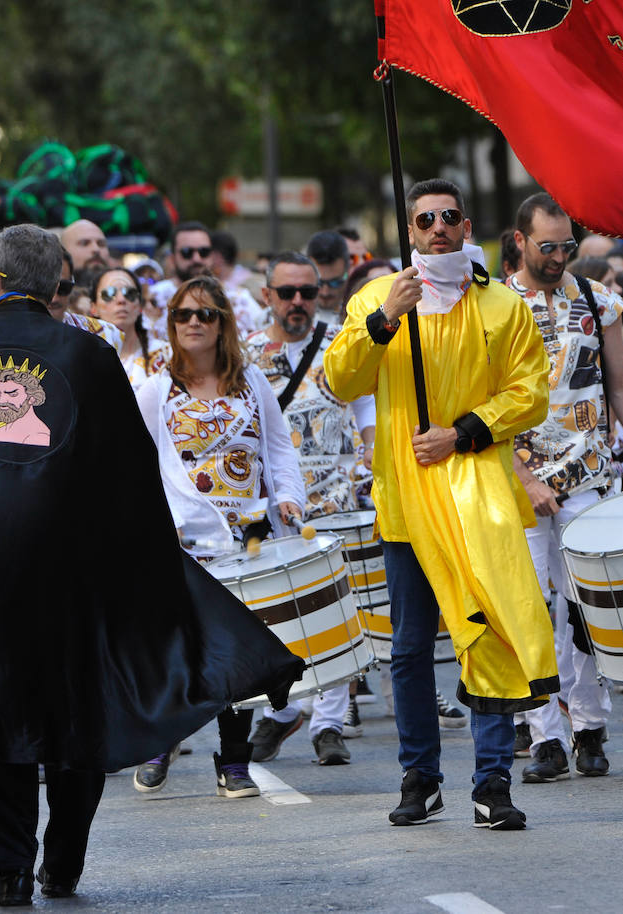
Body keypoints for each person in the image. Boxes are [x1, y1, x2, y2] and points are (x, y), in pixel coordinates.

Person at [0, 224, 300, 907]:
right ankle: (62, 860)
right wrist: (150, 564)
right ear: (55, 287)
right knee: (78, 710)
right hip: (70, 566)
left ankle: (10, 865)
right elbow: (130, 471)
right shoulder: (89, 355)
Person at [324, 177, 558, 831]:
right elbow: (341, 381)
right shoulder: (377, 298)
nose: (438, 228)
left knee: (488, 632)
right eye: (425, 219)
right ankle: (420, 776)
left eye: (449, 217)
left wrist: (464, 432)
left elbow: (529, 392)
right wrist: (383, 320)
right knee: (408, 648)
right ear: (409, 231)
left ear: (466, 222)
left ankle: (492, 782)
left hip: (477, 498)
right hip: (405, 503)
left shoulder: (501, 307)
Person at [133, 275, 306, 799]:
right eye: (183, 314)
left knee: (237, 653)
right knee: (179, 649)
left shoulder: (251, 382)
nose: (192, 323)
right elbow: (137, 464)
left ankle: (234, 761)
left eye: (204, 315)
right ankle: (162, 741)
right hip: (184, 543)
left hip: (248, 540)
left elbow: (278, 449)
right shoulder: (154, 389)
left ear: (223, 324)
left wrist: (289, 497)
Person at [507, 192, 623, 780]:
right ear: (519, 241)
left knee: (586, 608)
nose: (558, 256)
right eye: (547, 247)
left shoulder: (599, 302)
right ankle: (544, 733)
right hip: (517, 479)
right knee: (533, 611)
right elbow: (475, 403)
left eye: (567, 246)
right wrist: (521, 476)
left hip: (589, 476)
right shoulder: (494, 307)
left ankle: (590, 728)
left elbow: (622, 388)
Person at [244, 252, 375, 767]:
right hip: (273, 501)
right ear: (266, 296)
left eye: (307, 291)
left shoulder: (340, 344)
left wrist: (371, 450)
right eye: (286, 292)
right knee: (274, 614)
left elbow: (365, 401)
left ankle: (329, 724)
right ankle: (281, 711)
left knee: (336, 610)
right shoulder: (244, 352)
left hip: (336, 493)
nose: (297, 302)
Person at [152, 222, 267, 335]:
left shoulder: (239, 299)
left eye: (204, 252)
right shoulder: (153, 297)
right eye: (187, 252)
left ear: (212, 256)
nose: (197, 259)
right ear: (172, 258)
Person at [89, 267, 169, 388]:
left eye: (129, 294)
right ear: (93, 307)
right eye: (109, 294)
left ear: (140, 306)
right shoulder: (82, 359)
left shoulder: (165, 354)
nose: (121, 300)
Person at [307, 230, 351, 322]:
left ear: (348, 271)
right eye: (318, 282)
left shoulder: (362, 310)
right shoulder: (277, 315)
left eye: (335, 282)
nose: (325, 292)